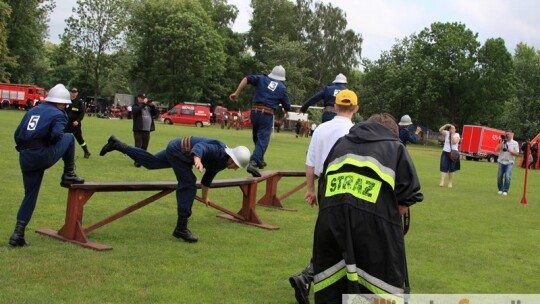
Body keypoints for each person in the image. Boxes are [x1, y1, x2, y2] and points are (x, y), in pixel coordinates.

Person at [312, 113, 423, 303]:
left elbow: (323, 186)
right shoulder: (396, 148)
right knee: (378, 286)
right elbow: (406, 199)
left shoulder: (340, 144)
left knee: (332, 284)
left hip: (330, 222)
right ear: (393, 134)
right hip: (374, 229)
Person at [99, 135, 251, 242]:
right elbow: (201, 147)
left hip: (179, 149)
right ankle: (181, 228)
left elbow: (207, 179)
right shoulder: (219, 151)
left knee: (151, 162)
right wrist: (197, 158)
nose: (235, 168)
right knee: (189, 183)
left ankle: (118, 145)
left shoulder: (222, 163)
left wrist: (205, 197)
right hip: (179, 151)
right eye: (236, 165)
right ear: (232, 158)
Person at [289, 89, 359, 304]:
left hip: (324, 185)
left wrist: (310, 190)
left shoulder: (320, 129)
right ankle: (311, 276)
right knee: (347, 235)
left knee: (328, 234)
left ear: (335, 107)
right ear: (356, 109)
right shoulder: (355, 130)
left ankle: (312, 277)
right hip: (347, 186)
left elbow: (310, 163)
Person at [9, 84, 85, 247]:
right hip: (41, 155)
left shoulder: (32, 111)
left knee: (29, 195)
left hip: (25, 157)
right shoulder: (59, 114)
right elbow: (58, 135)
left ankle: (18, 234)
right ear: (61, 102)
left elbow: (17, 135)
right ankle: (69, 173)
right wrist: (49, 147)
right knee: (70, 138)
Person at [229, 65, 292, 177]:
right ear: (282, 77)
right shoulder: (282, 88)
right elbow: (287, 107)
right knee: (263, 139)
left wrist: (236, 93)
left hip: (254, 112)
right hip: (266, 114)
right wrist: (284, 108)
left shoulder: (262, 78)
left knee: (257, 138)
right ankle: (253, 163)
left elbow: (246, 79)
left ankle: (260, 160)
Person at [132, 93, 158, 167]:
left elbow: (155, 113)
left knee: (144, 146)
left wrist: (153, 106)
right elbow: (135, 111)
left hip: (147, 129)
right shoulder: (135, 105)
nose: (144, 99)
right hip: (138, 129)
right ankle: (137, 161)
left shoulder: (148, 107)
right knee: (138, 146)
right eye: (142, 98)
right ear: (138, 98)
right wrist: (143, 103)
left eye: (144, 98)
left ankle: (142, 161)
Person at [64, 87, 91, 158]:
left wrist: (77, 121)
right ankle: (64, 153)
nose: (73, 93)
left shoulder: (79, 102)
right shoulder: (67, 101)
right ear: (70, 93)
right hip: (67, 124)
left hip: (75, 124)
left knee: (80, 139)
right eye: (72, 92)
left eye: (75, 92)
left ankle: (86, 152)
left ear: (77, 93)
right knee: (64, 138)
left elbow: (82, 113)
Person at [495, 130, 519, 195]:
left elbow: (517, 153)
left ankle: (505, 190)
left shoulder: (515, 143)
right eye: (506, 134)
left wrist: (509, 150)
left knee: (507, 176)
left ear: (512, 135)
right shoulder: (503, 142)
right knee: (499, 176)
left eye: (508, 134)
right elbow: (496, 149)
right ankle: (500, 189)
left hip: (509, 162)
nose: (507, 136)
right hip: (501, 161)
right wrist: (501, 142)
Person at [439, 123, 460, 188]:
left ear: (455, 129)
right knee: (443, 166)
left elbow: (454, 142)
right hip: (445, 152)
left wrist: (452, 134)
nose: (451, 129)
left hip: (454, 153)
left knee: (452, 168)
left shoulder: (457, 135)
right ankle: (442, 182)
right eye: (450, 128)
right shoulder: (447, 133)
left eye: (453, 128)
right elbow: (440, 130)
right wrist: (446, 125)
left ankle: (450, 183)